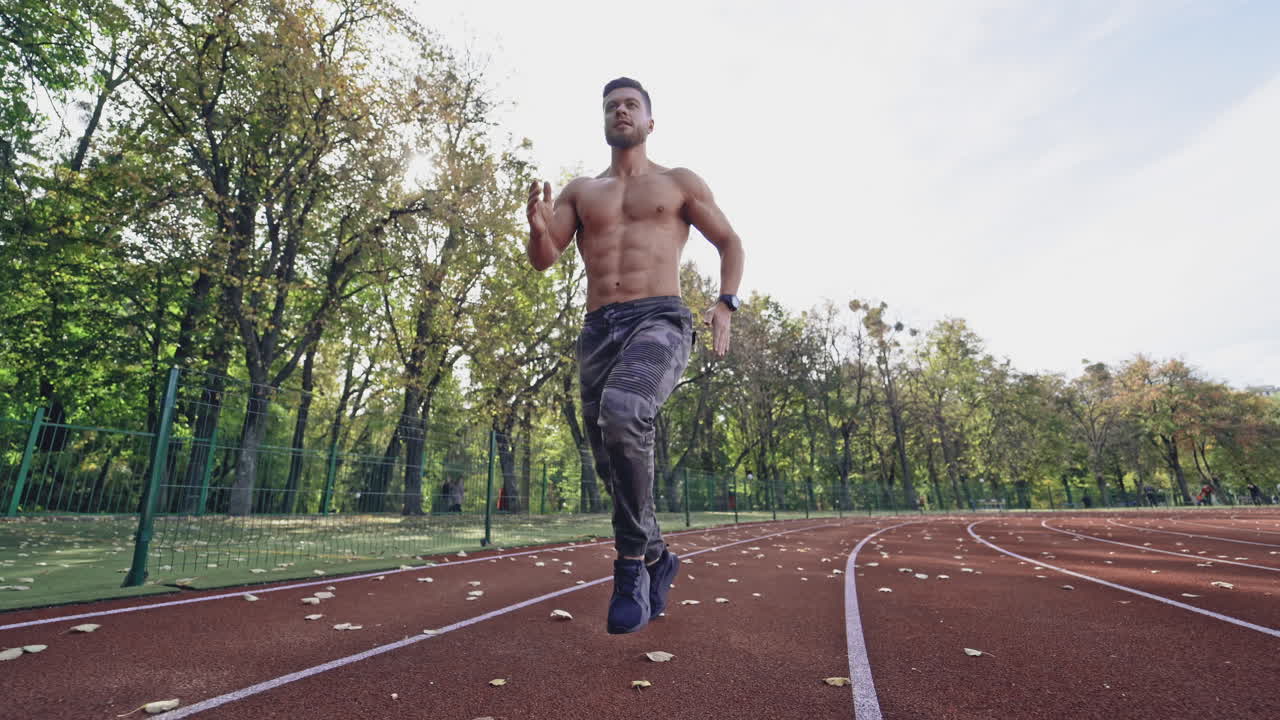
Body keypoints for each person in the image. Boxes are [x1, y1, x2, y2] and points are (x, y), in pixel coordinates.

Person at [526, 77, 745, 635]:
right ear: (604, 122)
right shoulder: (581, 191)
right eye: (611, 106)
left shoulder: (678, 183)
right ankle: (657, 557)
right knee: (611, 465)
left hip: (661, 320)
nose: (620, 111)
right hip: (599, 328)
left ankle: (628, 568)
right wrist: (535, 229)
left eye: (630, 105)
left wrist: (724, 303)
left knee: (624, 410)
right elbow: (545, 258)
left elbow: (731, 242)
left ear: (650, 122)